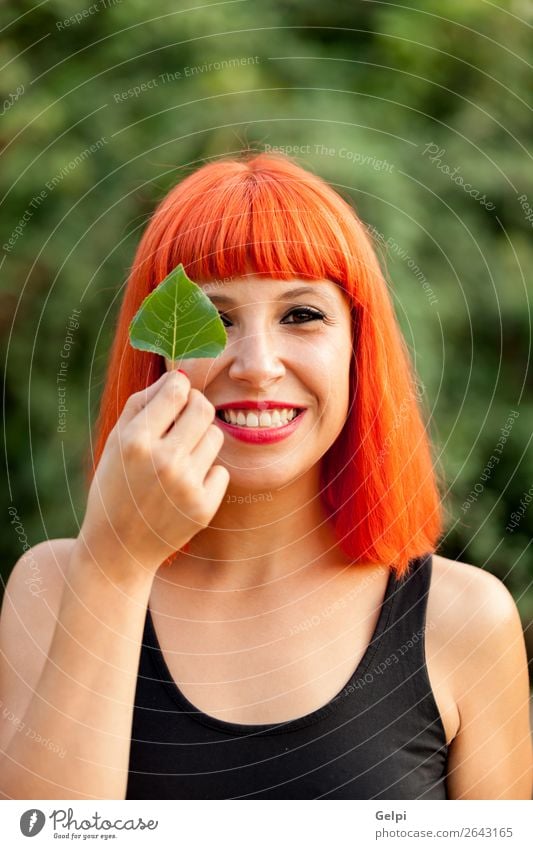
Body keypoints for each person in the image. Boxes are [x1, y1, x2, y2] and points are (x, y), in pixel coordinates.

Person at [0, 152, 531, 800]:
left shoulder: (464, 619)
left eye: (301, 314)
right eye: (213, 319)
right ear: (156, 356)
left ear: (357, 350)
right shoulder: (53, 591)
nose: (255, 365)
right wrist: (114, 567)